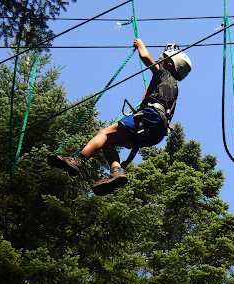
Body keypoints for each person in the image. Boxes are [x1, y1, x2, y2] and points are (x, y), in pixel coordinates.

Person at [48, 38, 192, 195]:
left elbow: (145, 57)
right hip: (156, 132)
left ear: (170, 64)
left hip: (151, 117)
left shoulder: (164, 73)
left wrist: (139, 44)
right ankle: (116, 171)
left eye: (163, 58)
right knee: (107, 141)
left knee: (103, 133)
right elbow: (148, 96)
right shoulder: (171, 86)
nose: (160, 58)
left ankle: (77, 161)